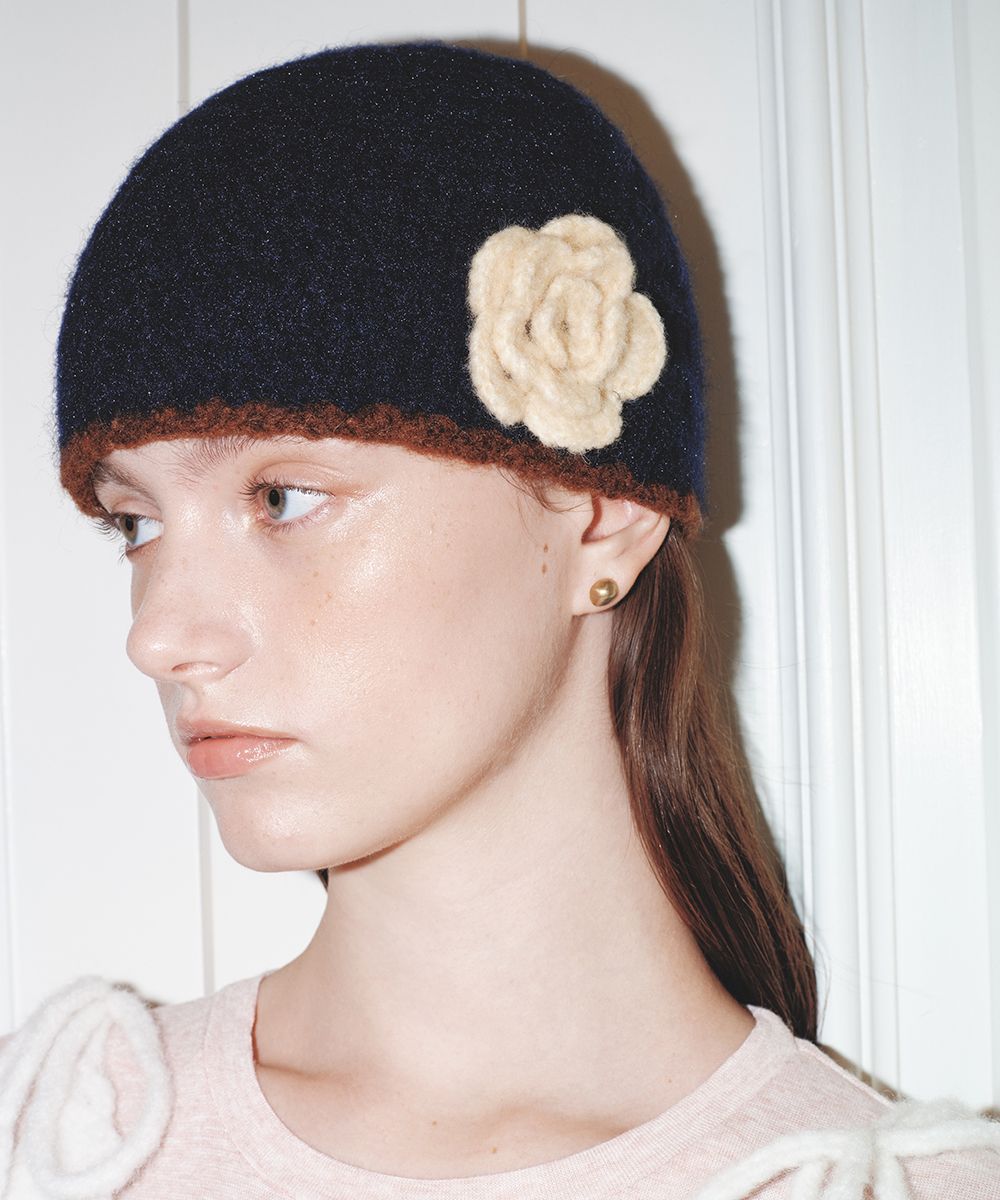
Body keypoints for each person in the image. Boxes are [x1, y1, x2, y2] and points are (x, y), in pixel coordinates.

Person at [1, 39, 998, 1200]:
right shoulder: (59, 1142)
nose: (159, 636)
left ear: (600, 515)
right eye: (134, 522)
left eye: (282, 498)